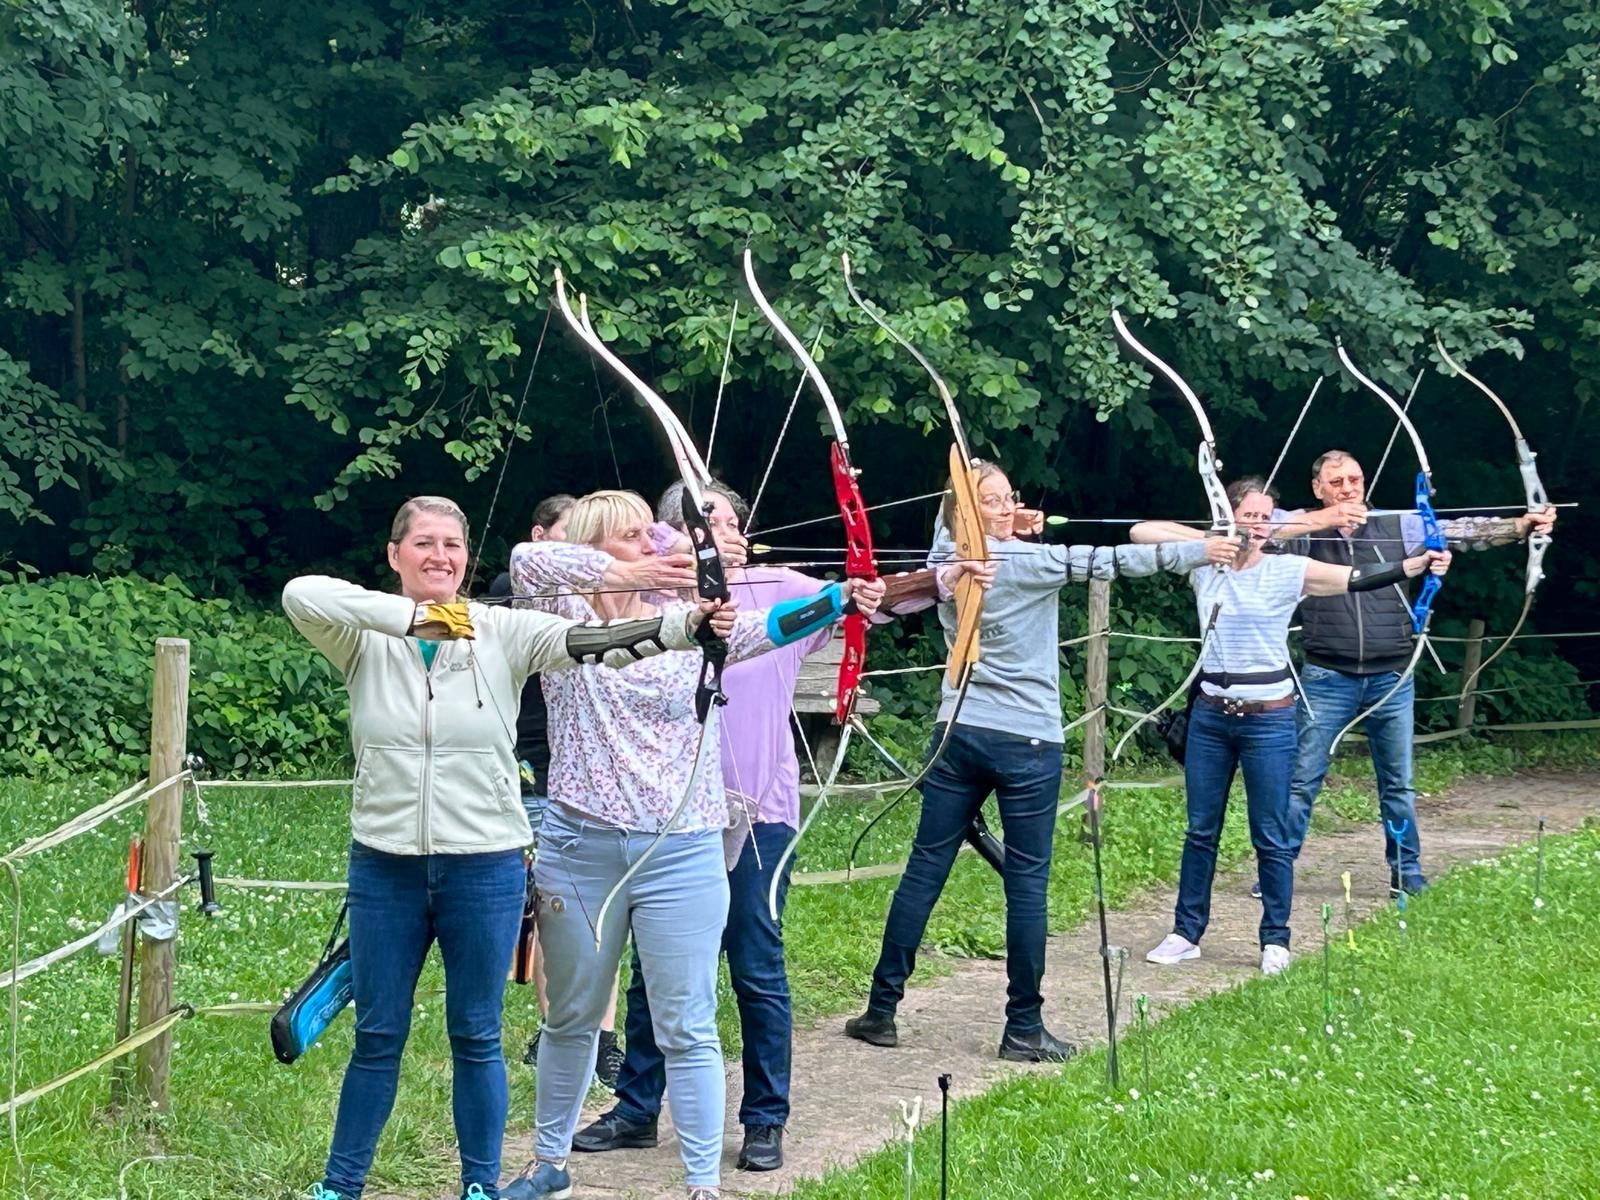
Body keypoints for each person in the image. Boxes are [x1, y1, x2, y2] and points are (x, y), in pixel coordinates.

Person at [283, 495, 734, 1200]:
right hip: (385, 865)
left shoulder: (502, 630)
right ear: (395, 555)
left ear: (468, 558)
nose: (440, 557)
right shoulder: (364, 637)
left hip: (484, 864)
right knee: (378, 1035)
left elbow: (599, 645)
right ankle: (341, 1186)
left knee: (475, 1034)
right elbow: (299, 593)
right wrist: (425, 618)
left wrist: (687, 623)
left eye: (453, 545)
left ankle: (479, 1187)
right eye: (424, 543)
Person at [502, 490, 879, 1200]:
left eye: (654, 532)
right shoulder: (561, 616)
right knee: (573, 1018)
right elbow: (528, 558)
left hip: (682, 849)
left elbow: (773, 624)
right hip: (581, 845)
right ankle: (547, 1163)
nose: (653, 542)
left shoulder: (703, 624)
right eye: (631, 536)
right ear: (593, 547)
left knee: (687, 1024)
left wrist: (841, 597)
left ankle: (702, 1184)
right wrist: (660, 568)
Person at [842, 460, 1230, 1062]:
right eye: (991, 501)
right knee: (1028, 886)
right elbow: (1115, 561)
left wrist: (1001, 520)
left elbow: (951, 541)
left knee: (925, 870)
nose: (1008, 506)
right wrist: (1204, 550)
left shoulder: (948, 557)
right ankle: (1023, 1028)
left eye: (1009, 497)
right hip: (1026, 742)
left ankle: (881, 1011)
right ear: (968, 514)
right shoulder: (1030, 562)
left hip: (959, 732)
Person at [1133, 478, 1450, 975]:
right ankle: (1186, 931)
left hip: (1270, 720)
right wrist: (1208, 541)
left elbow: (1357, 577)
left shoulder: (1288, 570)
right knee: (1201, 831)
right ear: (1227, 515)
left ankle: (1275, 939)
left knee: (1272, 833)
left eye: (1266, 518)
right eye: (1249, 516)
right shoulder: (1204, 565)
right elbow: (1139, 532)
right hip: (1212, 718)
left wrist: (1418, 564)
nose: (1257, 526)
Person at [1262, 449, 1556, 894]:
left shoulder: (1399, 523)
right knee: (1302, 779)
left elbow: (1461, 531)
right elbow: (1260, 531)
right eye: (1336, 482)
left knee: (1399, 784)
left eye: (1355, 480)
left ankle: (1408, 875)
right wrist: (1325, 519)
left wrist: (1521, 526)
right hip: (1327, 675)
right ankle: (1275, 874)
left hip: (1392, 676)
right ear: (1318, 488)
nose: (1348, 488)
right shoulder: (1302, 529)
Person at [485, 494, 624, 1087]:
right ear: (542, 538)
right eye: (569, 542)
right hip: (531, 766)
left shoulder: (607, 602)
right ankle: (556, 1028)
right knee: (551, 911)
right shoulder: (512, 589)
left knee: (599, 911)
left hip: (591, 777)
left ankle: (605, 1039)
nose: (580, 556)